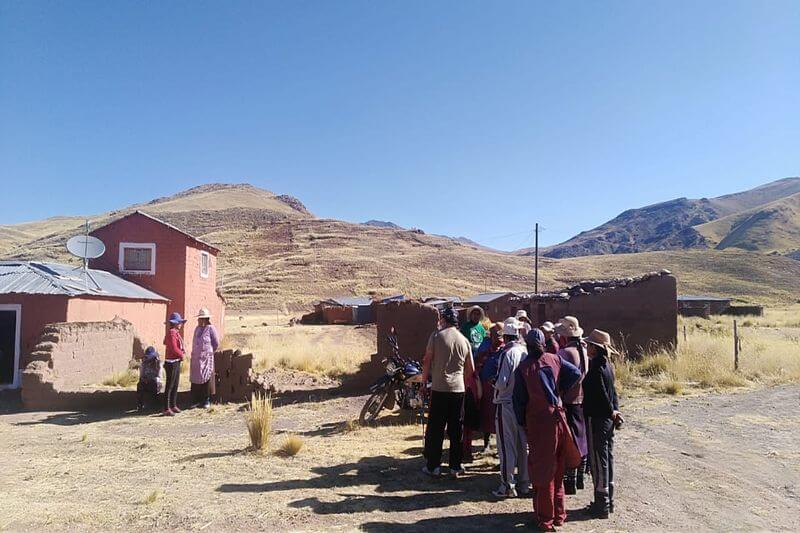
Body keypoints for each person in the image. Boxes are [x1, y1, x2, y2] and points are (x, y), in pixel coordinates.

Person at [513, 329, 582, 532]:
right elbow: (576, 374)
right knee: (558, 469)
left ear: (527, 345)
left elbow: (519, 402)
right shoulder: (555, 359)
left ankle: (545, 520)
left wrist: (522, 423)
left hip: (540, 424)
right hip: (559, 420)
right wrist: (559, 390)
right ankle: (559, 516)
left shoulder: (524, 368)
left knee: (543, 474)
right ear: (543, 343)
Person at [421, 306, 475, 477]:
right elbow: (471, 369)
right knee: (455, 429)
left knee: (436, 428)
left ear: (444, 320)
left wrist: (423, 383)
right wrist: (463, 384)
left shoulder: (436, 336)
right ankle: (455, 466)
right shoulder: (464, 340)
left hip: (439, 388)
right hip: (458, 390)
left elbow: (426, 361)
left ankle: (433, 466)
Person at [582, 329, 624, 518]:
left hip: (598, 419)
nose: (587, 347)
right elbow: (612, 394)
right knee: (607, 458)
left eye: (589, 345)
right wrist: (615, 412)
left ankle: (602, 504)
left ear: (595, 348)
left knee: (599, 461)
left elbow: (601, 395)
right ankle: (609, 500)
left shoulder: (596, 369)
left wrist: (611, 411)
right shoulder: (607, 366)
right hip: (607, 419)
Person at [492, 318, 530, 498]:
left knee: (506, 446)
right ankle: (524, 483)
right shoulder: (524, 351)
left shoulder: (506, 354)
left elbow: (501, 382)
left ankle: (507, 485)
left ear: (505, 336)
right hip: (522, 403)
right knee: (522, 445)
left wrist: (493, 382)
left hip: (505, 402)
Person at [555, 316, 589, 494]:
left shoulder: (565, 353)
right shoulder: (584, 350)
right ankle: (580, 476)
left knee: (569, 440)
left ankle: (570, 480)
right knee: (581, 438)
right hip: (583, 399)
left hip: (569, 399)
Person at [190, 308, 221, 409]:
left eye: (200, 319)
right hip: (196, 359)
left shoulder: (211, 328)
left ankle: (206, 400)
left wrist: (208, 351)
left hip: (207, 359)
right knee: (196, 379)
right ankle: (196, 400)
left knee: (206, 379)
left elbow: (216, 343)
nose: (198, 321)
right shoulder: (197, 329)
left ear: (205, 319)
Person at [163, 312, 187, 416]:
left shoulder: (174, 333)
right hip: (171, 362)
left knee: (175, 384)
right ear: (175, 323)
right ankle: (166, 407)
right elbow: (173, 348)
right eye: (179, 322)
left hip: (175, 361)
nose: (181, 324)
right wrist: (181, 354)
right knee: (170, 385)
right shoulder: (172, 333)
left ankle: (173, 405)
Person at [137, 346, 162, 412]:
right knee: (140, 385)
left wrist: (158, 365)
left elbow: (159, 376)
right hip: (146, 381)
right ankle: (140, 404)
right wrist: (144, 379)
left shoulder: (157, 364)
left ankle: (155, 405)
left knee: (154, 384)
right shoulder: (144, 364)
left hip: (154, 381)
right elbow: (141, 375)